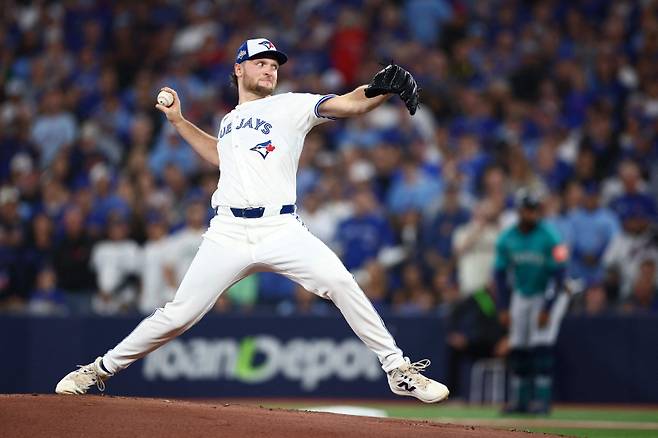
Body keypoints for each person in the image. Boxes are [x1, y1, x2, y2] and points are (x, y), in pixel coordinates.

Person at [55, 38, 448, 403]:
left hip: (281, 228)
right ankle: (98, 370)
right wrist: (178, 122)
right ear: (239, 70)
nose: (269, 70)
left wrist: (378, 90)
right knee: (178, 315)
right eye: (260, 63)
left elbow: (350, 104)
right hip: (227, 231)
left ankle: (398, 369)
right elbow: (219, 155)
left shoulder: (291, 105)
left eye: (273, 64)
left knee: (340, 282)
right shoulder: (229, 120)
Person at [494, 189, 570, 414]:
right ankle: (520, 400)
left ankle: (542, 400)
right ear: (519, 211)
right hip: (522, 292)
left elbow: (560, 274)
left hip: (550, 291)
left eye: (534, 209)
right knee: (518, 345)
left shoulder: (552, 236)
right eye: (527, 209)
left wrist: (547, 307)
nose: (531, 214)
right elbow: (499, 275)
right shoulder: (507, 238)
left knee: (541, 344)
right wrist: (503, 307)